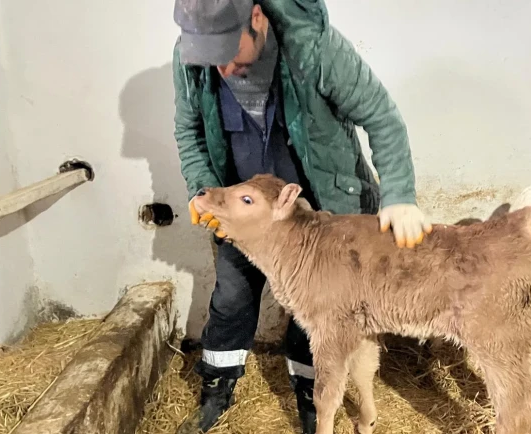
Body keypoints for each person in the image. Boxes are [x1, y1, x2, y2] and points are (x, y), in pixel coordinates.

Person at [171, 0, 431, 433]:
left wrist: (400, 194)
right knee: (233, 294)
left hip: (324, 205)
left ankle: (312, 397)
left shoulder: (314, 47)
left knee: (318, 310)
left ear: (257, 18)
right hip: (247, 210)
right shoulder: (191, 57)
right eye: (209, 58)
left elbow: (382, 117)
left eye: (230, 53)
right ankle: (217, 388)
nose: (221, 69)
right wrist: (203, 189)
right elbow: (189, 131)